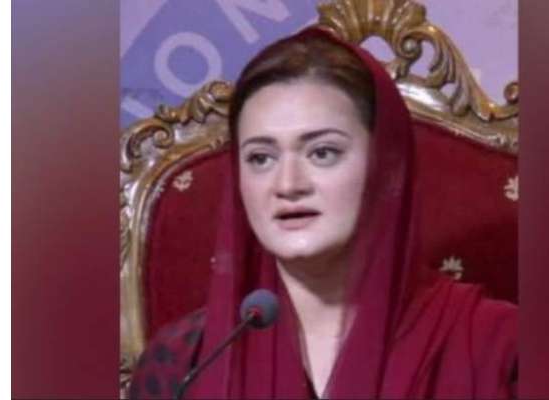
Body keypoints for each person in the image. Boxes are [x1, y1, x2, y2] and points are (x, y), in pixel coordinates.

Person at [129, 27, 517, 399]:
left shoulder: (502, 350)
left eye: (322, 153)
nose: (288, 184)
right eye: (261, 158)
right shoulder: (184, 363)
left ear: (387, 167)